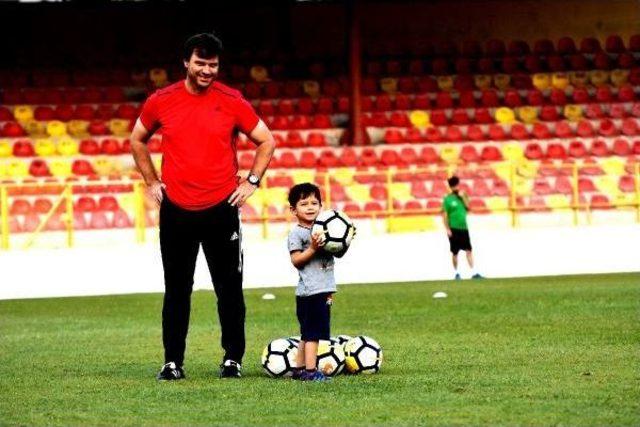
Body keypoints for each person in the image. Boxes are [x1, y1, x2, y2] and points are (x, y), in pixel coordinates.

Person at [130, 32, 276, 380]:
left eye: (213, 64)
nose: (207, 70)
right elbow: (137, 139)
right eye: (200, 63)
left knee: (229, 289)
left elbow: (266, 140)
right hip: (177, 210)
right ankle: (172, 361)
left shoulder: (232, 100)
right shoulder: (161, 100)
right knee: (177, 289)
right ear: (186, 62)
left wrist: (252, 181)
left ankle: (232, 359)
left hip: (221, 209)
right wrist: (151, 181)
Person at [286, 183, 338, 382]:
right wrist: (313, 248)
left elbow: (335, 255)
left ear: (321, 206)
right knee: (313, 335)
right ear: (293, 210)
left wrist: (345, 238)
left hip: (321, 290)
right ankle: (310, 371)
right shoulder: (297, 234)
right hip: (310, 292)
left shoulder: (325, 231)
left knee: (306, 334)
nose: (310, 207)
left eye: (314, 203)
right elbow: (296, 260)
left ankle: (299, 369)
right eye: (304, 203)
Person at [442, 176, 483, 280]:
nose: (456, 187)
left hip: (464, 228)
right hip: (453, 228)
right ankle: (456, 273)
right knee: (455, 252)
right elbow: (445, 215)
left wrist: (463, 198)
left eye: (457, 185)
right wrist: (447, 229)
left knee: (469, 250)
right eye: (454, 185)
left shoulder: (463, 196)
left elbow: (468, 208)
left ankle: (474, 273)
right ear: (451, 187)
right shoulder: (447, 199)